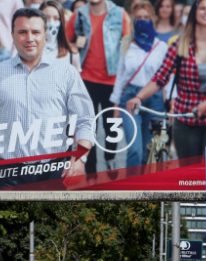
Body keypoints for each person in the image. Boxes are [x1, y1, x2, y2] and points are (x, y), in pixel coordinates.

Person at [0, 8, 95, 190]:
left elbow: (85, 120)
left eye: (35, 32)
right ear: (13, 35)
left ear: (45, 35)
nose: (29, 38)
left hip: (55, 172)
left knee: (52, 220)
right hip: (8, 175)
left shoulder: (66, 73)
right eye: (23, 32)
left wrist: (79, 160)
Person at [126, 0, 206, 161]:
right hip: (185, 117)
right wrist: (139, 97)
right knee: (189, 174)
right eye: (203, 8)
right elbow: (160, 77)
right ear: (195, 12)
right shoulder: (180, 45)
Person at [65, 0, 131, 172]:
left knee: (111, 126)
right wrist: (74, 49)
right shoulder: (79, 15)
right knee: (88, 126)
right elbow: (66, 40)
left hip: (112, 80)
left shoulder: (119, 14)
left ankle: (110, 158)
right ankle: (91, 171)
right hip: (86, 79)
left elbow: (128, 44)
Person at [109, 0, 168, 168]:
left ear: (152, 19)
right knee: (135, 150)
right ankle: (132, 189)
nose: (143, 20)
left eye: (146, 17)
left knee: (151, 152)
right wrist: (115, 107)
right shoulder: (126, 44)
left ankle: (147, 187)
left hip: (154, 100)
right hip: (130, 97)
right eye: (139, 17)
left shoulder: (161, 47)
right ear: (134, 20)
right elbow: (120, 76)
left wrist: (171, 103)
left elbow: (166, 78)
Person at [40, 0, 81, 71]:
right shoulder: (30, 51)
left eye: (56, 18)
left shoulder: (71, 54)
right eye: (46, 18)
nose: (51, 22)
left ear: (61, 22)